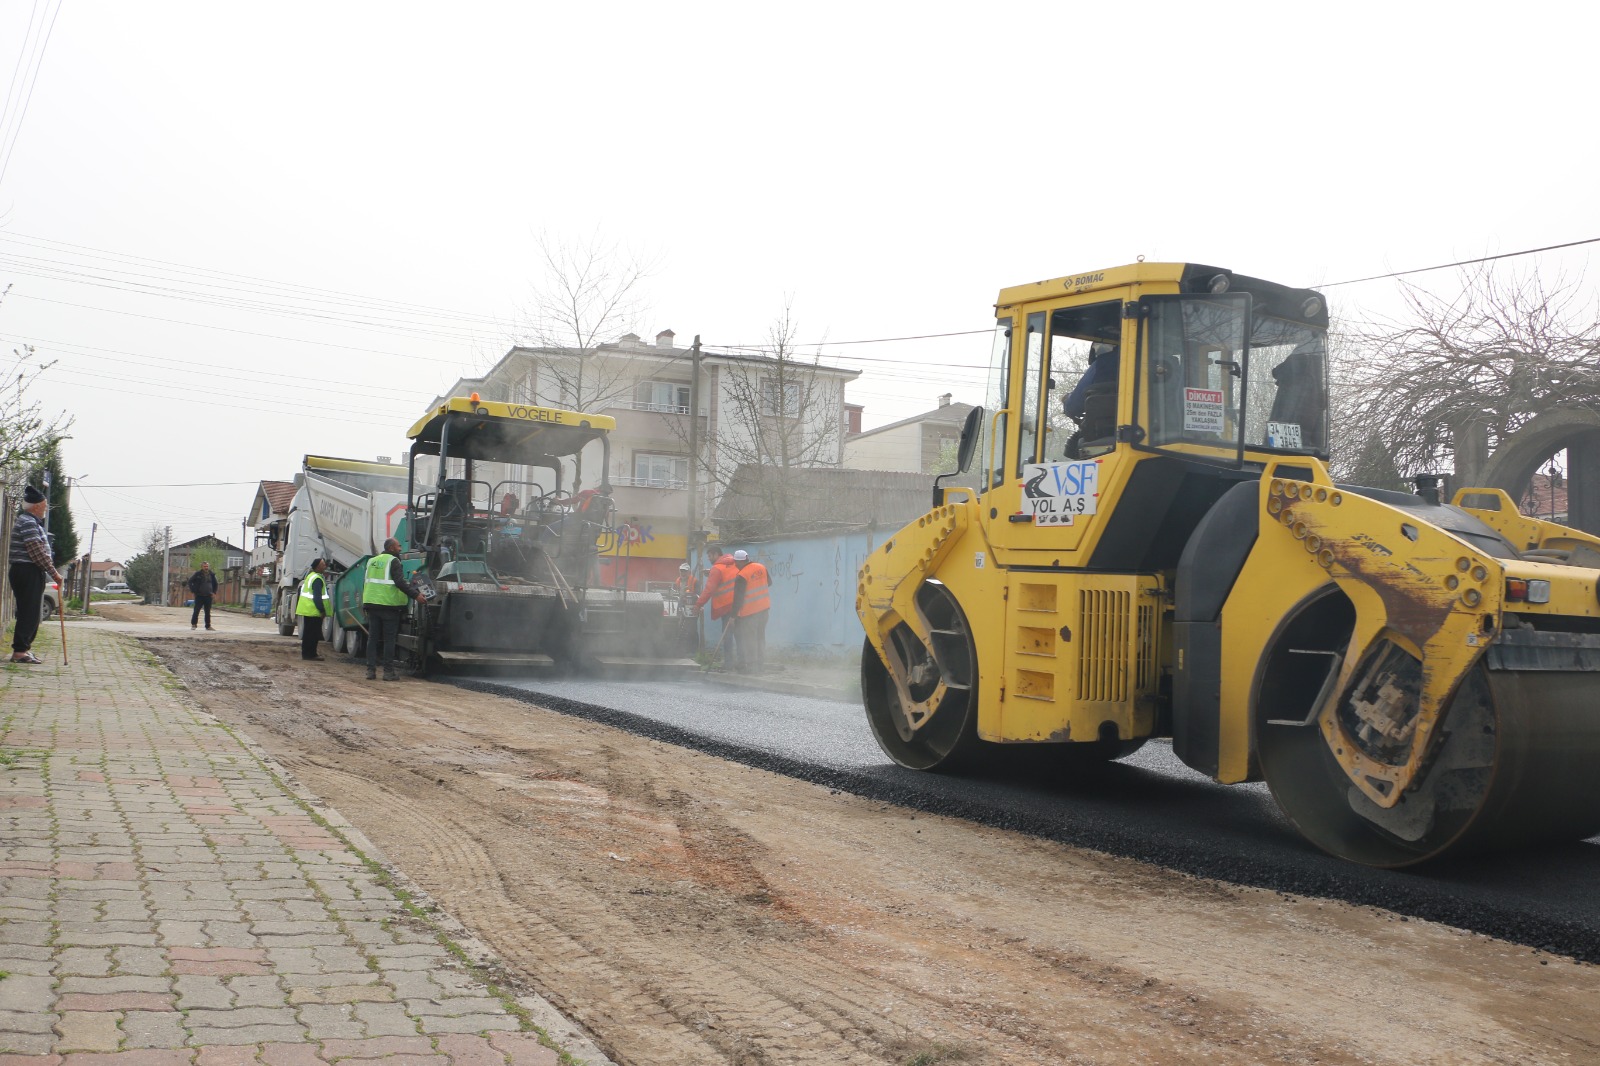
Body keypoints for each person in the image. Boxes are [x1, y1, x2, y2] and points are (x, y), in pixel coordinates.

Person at [9, 485, 62, 665]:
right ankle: (20, 651)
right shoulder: (28, 523)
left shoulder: (30, 522)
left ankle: (23, 649)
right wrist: (54, 573)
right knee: (29, 612)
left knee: (31, 612)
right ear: (37, 506)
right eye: (45, 505)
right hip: (27, 570)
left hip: (29, 571)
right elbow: (36, 552)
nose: (46, 509)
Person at [362, 537, 420, 681]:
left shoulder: (371, 561)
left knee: (373, 638)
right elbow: (399, 582)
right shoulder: (394, 561)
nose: (400, 549)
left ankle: (370, 671)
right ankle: (388, 673)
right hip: (388, 606)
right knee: (389, 640)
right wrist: (416, 595)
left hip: (371, 604)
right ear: (392, 548)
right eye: (398, 546)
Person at [729, 549, 771, 674]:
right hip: (764, 609)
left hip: (751, 612)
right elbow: (769, 582)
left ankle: (753, 668)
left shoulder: (741, 575)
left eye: (735, 562)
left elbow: (738, 598)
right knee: (760, 638)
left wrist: (733, 616)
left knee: (750, 640)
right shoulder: (761, 567)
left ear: (739, 562)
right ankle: (760, 666)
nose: (735, 565)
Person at [695, 551, 739, 665]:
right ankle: (743, 663)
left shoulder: (717, 568)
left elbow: (709, 590)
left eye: (710, 556)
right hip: (739, 604)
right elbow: (727, 575)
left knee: (727, 636)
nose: (709, 559)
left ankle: (728, 663)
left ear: (716, 555)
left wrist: (698, 604)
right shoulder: (734, 563)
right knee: (740, 635)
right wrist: (711, 573)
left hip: (726, 607)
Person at [1063, 341, 1120, 422]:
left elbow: (1073, 406)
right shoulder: (1138, 362)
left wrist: (1066, 400)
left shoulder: (1100, 365)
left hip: (1104, 428)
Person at [296, 558, 331, 661]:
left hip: (308, 609)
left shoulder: (311, 576)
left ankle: (306, 654)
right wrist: (322, 610)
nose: (325, 566)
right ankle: (311, 654)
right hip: (313, 611)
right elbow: (317, 597)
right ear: (318, 567)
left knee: (308, 633)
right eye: (323, 565)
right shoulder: (317, 579)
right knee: (313, 634)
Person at [189, 561, 218, 631]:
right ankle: (194, 624)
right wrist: (193, 590)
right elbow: (190, 581)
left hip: (208, 596)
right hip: (199, 596)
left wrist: (214, 592)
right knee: (196, 611)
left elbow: (216, 584)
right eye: (205, 566)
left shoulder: (212, 574)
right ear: (202, 567)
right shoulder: (197, 574)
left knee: (207, 612)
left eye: (207, 566)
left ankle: (208, 626)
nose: (206, 568)